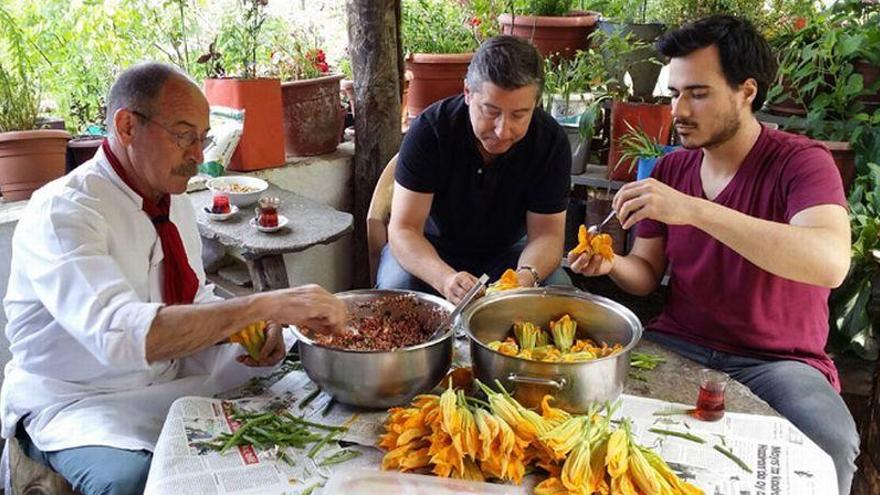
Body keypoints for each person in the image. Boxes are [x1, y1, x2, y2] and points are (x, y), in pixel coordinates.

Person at [0, 62, 346, 494]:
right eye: (184, 135)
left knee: (304, 381)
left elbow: (191, 297)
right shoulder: (64, 212)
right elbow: (122, 335)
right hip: (79, 399)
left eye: (202, 139)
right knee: (128, 481)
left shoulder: (172, 198)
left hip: (171, 373)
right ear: (127, 126)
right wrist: (263, 304)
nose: (198, 155)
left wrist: (252, 329)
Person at [569, 15, 859, 494]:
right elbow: (646, 274)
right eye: (674, 93)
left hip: (778, 361)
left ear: (747, 91)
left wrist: (697, 211)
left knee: (832, 447)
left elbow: (828, 262)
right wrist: (611, 265)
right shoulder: (672, 169)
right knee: (587, 420)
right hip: (678, 342)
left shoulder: (801, 162)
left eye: (697, 93)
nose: (679, 109)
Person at [377, 35, 572, 304]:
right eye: (491, 111)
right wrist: (444, 278)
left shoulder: (550, 142)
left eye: (519, 115)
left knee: (559, 291)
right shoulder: (430, 131)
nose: (503, 130)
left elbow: (548, 235)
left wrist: (524, 278)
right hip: (431, 250)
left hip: (510, 253)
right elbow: (404, 229)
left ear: (536, 104)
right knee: (396, 289)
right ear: (468, 93)